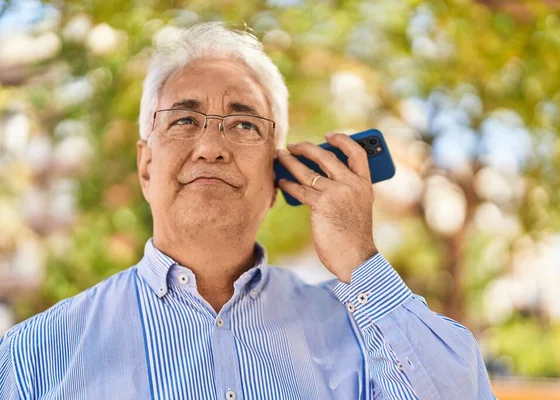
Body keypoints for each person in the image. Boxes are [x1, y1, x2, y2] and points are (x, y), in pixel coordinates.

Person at [0, 22, 496, 399]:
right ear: (146, 165)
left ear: (277, 175)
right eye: (185, 120)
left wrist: (361, 262)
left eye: (243, 126)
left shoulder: (363, 331)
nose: (211, 146)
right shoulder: (33, 356)